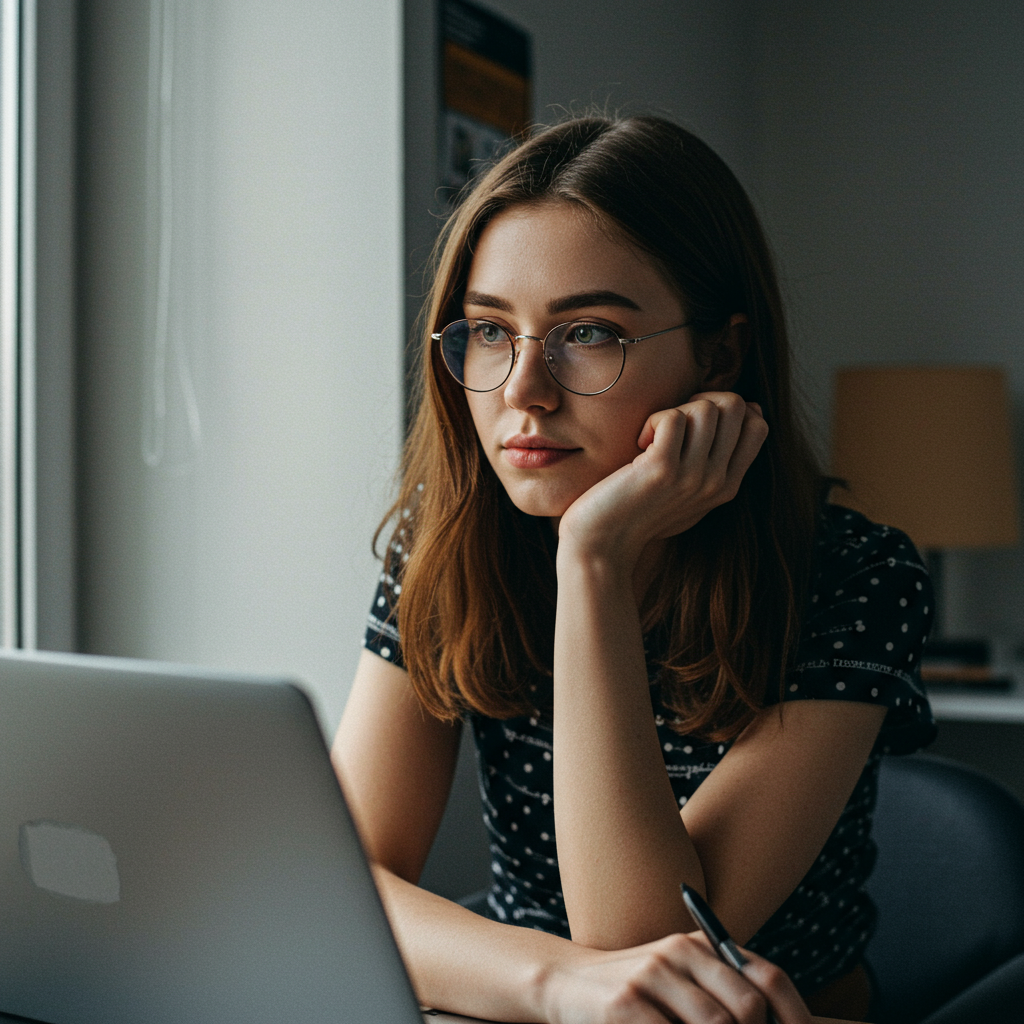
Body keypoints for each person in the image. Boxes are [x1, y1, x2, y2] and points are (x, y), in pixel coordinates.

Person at [333, 115, 935, 1023]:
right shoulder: (453, 535)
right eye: (490, 331)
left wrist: (594, 559)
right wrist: (548, 981)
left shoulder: (852, 576)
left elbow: (646, 948)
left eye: (588, 332)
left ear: (719, 353)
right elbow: (342, 882)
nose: (523, 391)